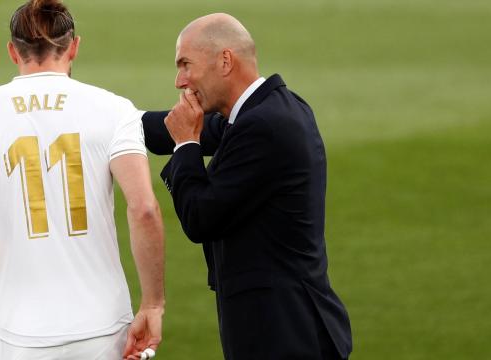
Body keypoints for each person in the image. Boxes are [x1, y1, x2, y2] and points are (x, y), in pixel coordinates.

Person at [0, 1, 164, 359]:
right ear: (73, 46)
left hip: (16, 334)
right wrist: (153, 305)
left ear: (13, 51)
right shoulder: (114, 109)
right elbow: (144, 209)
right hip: (103, 327)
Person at [141, 13, 352, 359]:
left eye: (185, 65)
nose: (180, 81)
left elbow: (200, 216)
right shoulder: (265, 111)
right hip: (289, 327)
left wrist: (186, 147)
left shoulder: (263, 126)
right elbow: (173, 126)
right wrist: (111, 119)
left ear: (225, 60)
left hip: (284, 336)